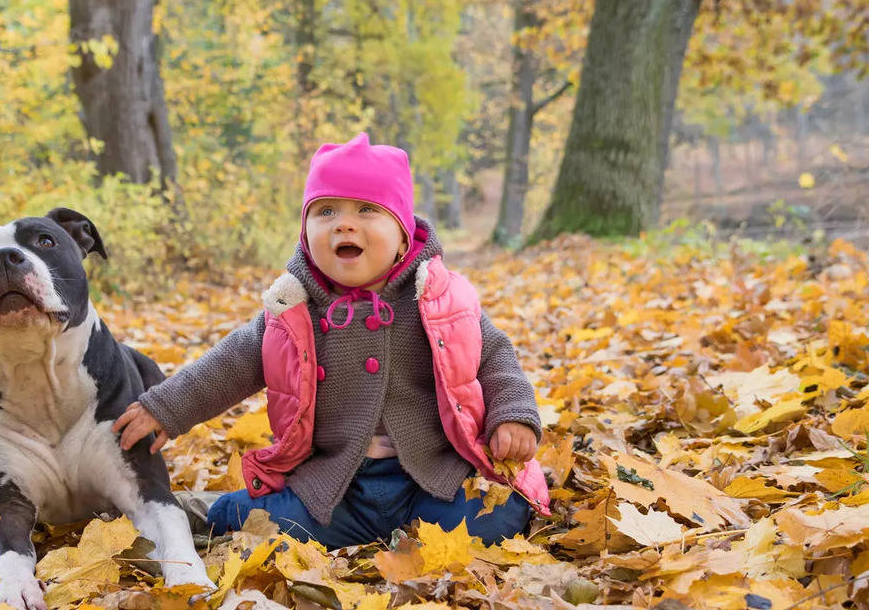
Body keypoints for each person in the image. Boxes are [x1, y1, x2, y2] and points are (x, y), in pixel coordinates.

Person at [113, 132, 550, 549]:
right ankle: (213, 512)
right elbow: (231, 364)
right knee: (260, 524)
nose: (344, 225)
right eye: (326, 212)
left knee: (499, 516)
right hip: (336, 486)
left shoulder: (437, 299)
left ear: (403, 236)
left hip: (434, 476)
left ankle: (418, 533)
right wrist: (167, 407)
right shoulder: (294, 310)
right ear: (306, 233)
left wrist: (513, 416)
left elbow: (495, 357)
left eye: (366, 211)